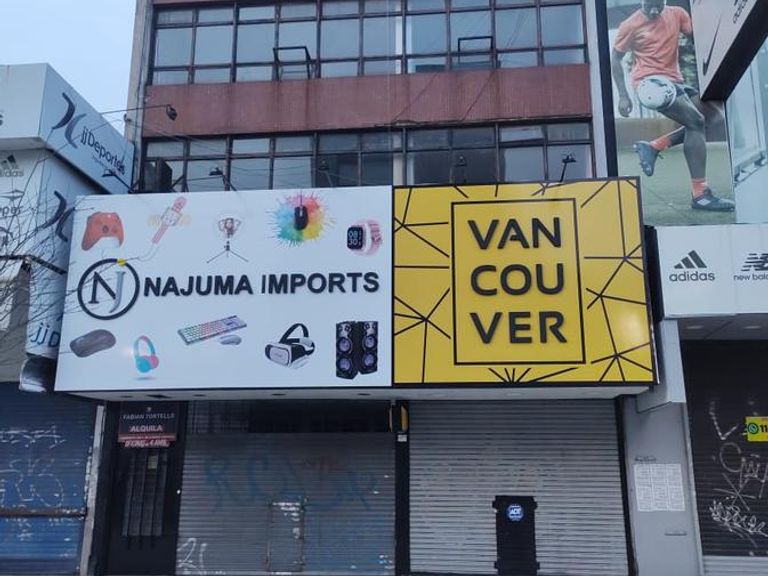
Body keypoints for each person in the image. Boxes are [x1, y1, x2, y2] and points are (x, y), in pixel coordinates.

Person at [611, 0, 734, 211]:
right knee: (696, 122)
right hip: (648, 84)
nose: (653, 10)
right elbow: (615, 59)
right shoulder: (629, 25)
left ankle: (654, 146)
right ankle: (700, 194)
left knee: (714, 117)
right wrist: (623, 96)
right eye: (648, 6)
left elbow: (697, 38)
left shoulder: (677, 14)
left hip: (675, 81)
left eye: (658, 5)